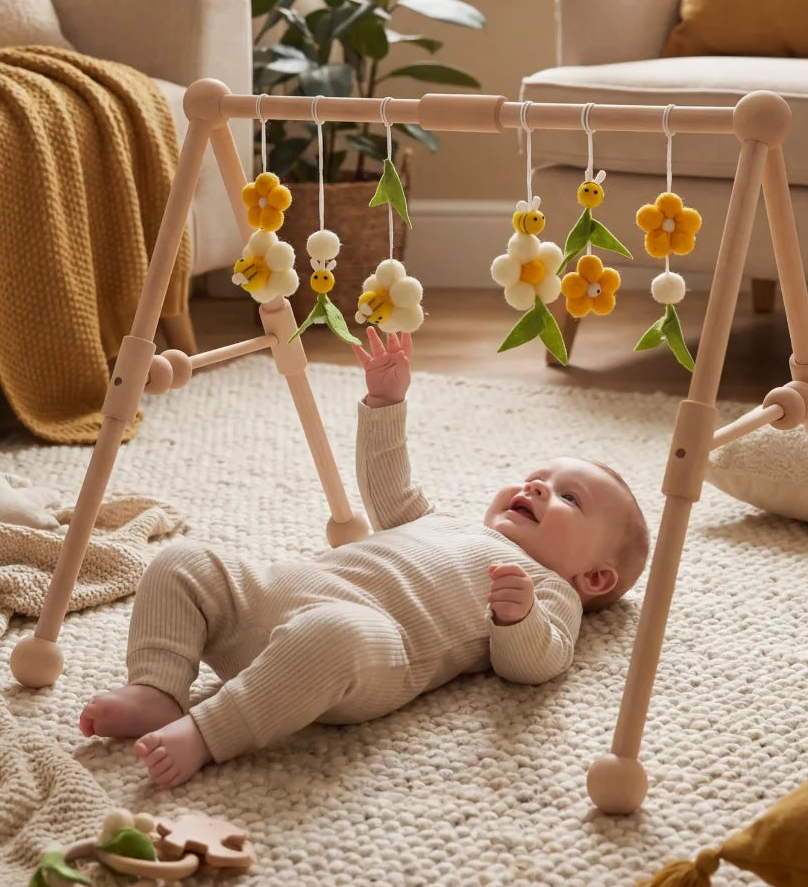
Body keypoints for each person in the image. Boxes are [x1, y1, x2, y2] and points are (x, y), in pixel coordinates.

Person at [80, 328, 650, 787]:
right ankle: (158, 688)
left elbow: (538, 664)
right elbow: (389, 490)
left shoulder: (545, 586)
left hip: (374, 645)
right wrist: (385, 404)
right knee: (183, 561)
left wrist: (518, 619)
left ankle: (207, 733)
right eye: (535, 478)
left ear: (594, 576)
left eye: (569, 497)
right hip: (287, 591)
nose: (537, 488)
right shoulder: (443, 521)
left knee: (335, 632)